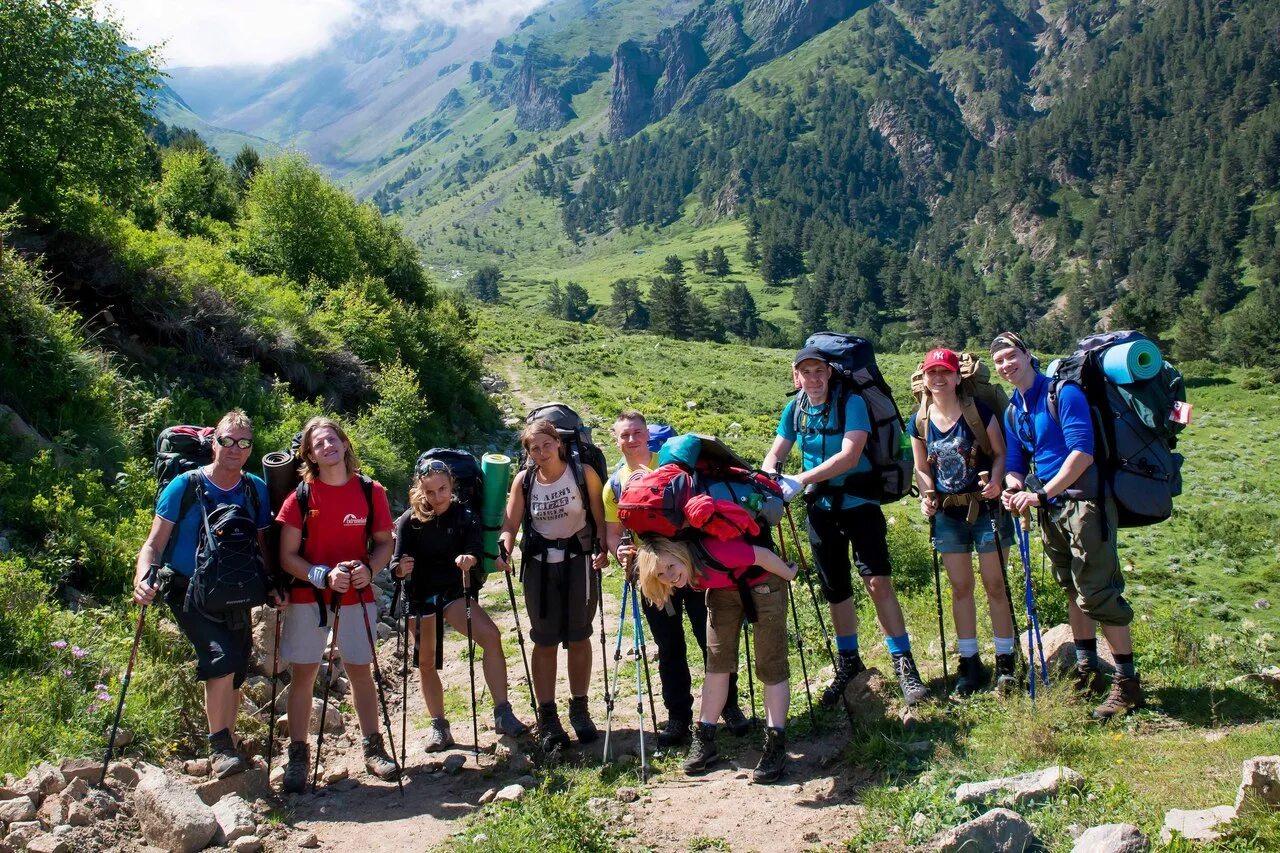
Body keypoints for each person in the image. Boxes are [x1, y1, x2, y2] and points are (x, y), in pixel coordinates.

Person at [763, 346, 929, 706]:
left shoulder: (851, 402)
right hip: (821, 508)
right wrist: (769, 477)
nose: (814, 379)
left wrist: (800, 478)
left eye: (819, 371)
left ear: (830, 372)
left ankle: (904, 664)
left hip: (860, 503)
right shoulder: (796, 409)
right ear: (796, 377)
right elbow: (776, 451)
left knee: (877, 581)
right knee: (835, 588)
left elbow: (850, 455)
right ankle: (849, 662)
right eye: (806, 372)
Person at [992, 332, 1142, 720]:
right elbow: (1015, 461)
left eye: (1011, 357)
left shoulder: (1063, 394)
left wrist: (1041, 494)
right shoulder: (1014, 409)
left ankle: (1127, 684)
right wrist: (1013, 488)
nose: (1007, 365)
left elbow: (1082, 453)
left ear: (1028, 355)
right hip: (1051, 509)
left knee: (1097, 590)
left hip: (1084, 504)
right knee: (1073, 589)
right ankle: (1088, 670)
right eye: (999, 362)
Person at [134, 409, 274, 779]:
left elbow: (264, 545)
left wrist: (274, 584)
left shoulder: (254, 488)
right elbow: (153, 545)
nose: (234, 448)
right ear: (214, 442)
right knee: (221, 660)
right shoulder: (184, 485)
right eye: (227, 440)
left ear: (250, 448)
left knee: (237, 670)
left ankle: (225, 747)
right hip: (187, 588)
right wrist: (142, 579)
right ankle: (219, 747)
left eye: (243, 442)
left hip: (236, 589)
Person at [603, 410, 749, 746]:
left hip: (691, 566)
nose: (631, 440)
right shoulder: (614, 485)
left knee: (709, 638)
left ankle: (729, 706)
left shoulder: (673, 464)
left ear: (646, 433)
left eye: (636, 432)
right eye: (624, 435)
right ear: (616, 439)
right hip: (652, 575)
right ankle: (679, 716)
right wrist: (619, 553)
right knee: (668, 646)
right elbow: (612, 533)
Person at [275, 417, 398, 792]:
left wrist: (370, 569)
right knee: (304, 675)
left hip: (356, 596)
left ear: (344, 444)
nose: (326, 446)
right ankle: (298, 757)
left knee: (361, 671)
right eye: (317, 444)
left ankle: (373, 749)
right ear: (309, 454)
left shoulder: (369, 491)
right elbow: (287, 556)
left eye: (332, 439)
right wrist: (321, 575)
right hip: (308, 597)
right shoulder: (301, 497)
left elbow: (383, 542)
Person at [391, 456, 528, 750]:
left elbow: (476, 549)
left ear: (451, 485)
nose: (437, 497)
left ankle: (503, 712)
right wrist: (401, 569)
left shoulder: (465, 515)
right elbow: (394, 564)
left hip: (453, 593)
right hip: (419, 597)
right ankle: (440, 727)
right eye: (430, 491)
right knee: (427, 662)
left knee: (491, 637)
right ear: (420, 489)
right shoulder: (409, 521)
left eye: (442, 489)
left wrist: (470, 558)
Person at [634, 535, 797, 783]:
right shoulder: (686, 571)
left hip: (765, 581)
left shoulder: (713, 551)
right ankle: (705, 740)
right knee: (717, 663)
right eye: (660, 575)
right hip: (724, 589)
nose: (669, 577)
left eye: (671, 567)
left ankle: (776, 745)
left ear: (680, 554)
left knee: (770, 664)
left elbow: (761, 556)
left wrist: (788, 574)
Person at [908, 348, 1017, 695]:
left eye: (945, 372)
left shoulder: (979, 411)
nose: (938, 378)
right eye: (932, 373)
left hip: (986, 510)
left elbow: (1000, 453)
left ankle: (1005, 661)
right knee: (961, 589)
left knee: (995, 585)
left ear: (958, 377)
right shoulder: (919, 420)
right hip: (948, 514)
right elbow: (922, 469)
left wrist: (997, 482)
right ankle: (969, 663)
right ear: (924, 379)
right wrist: (928, 497)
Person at [496, 419, 609, 751]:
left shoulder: (582, 472)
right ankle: (548, 716)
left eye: (547, 444)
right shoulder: (524, 481)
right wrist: (503, 547)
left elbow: (600, 520)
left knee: (579, 636)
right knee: (544, 641)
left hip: (578, 563)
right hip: (539, 569)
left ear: (558, 443)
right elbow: (510, 524)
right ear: (528, 452)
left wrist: (602, 550)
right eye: (535, 447)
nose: (542, 452)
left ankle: (580, 709)